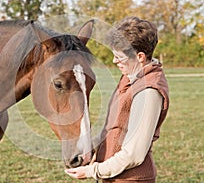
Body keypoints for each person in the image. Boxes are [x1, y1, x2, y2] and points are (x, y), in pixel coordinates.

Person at [65, 16, 169, 183]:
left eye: (119, 57)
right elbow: (114, 128)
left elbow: (134, 154)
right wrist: (91, 147)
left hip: (131, 179)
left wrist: (92, 171)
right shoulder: (129, 77)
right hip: (113, 176)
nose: (114, 61)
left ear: (140, 56)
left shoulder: (148, 92)